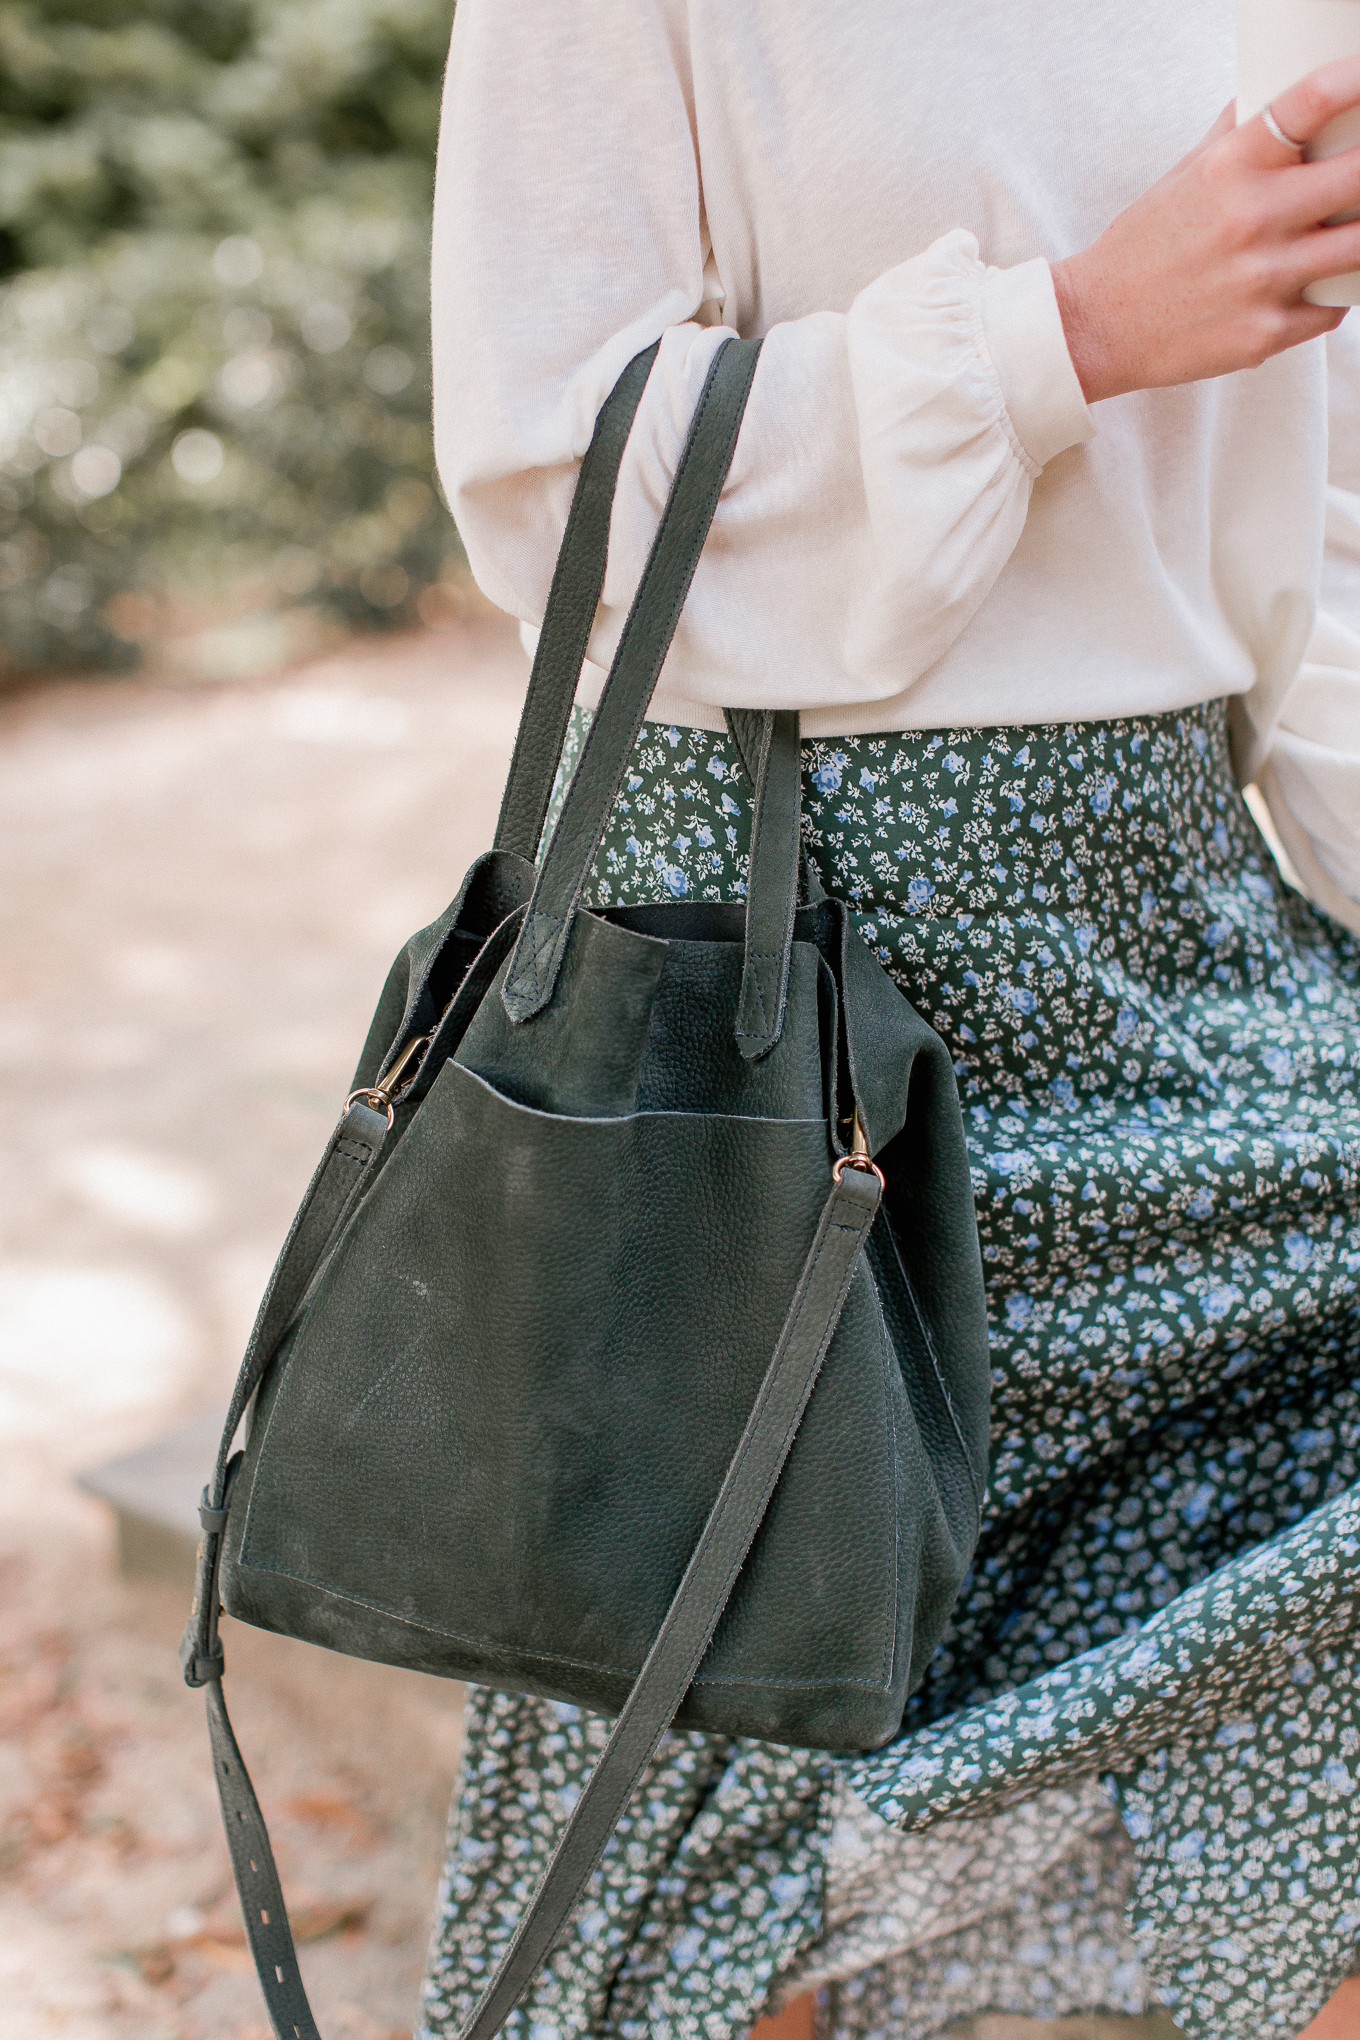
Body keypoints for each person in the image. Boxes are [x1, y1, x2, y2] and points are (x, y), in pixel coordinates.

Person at [419, 4, 1360, 2036]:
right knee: (733, 1821)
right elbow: (536, 476)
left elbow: (1322, 532)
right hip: (786, 992)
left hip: (1189, 951)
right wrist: (1061, 337)